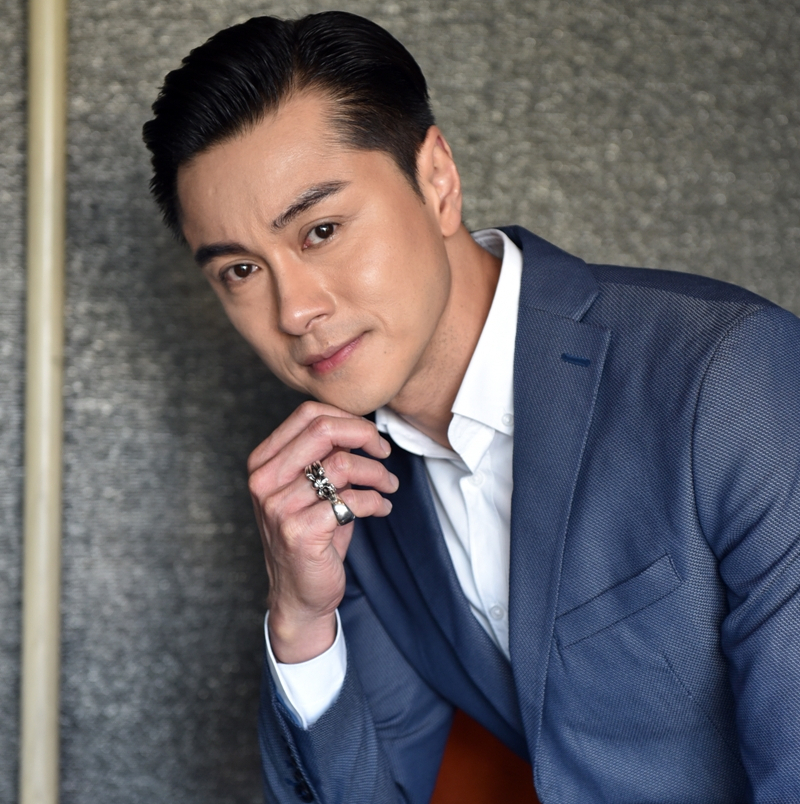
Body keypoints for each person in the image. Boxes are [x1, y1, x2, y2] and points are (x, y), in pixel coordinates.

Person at [142, 11, 800, 803]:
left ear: (437, 180)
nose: (294, 310)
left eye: (321, 229)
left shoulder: (726, 373)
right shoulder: (348, 496)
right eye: (241, 271)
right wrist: (300, 621)